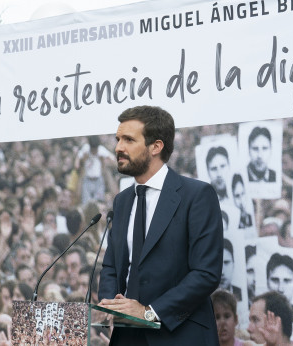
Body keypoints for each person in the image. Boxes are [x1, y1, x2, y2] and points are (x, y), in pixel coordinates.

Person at [98, 105, 223, 345]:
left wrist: (149, 312)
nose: (118, 148)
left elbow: (206, 273)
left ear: (156, 146)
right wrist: (109, 304)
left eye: (128, 140)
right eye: (117, 139)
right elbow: (112, 266)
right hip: (127, 336)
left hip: (180, 335)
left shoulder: (196, 195)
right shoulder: (123, 201)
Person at [266, 253, 293, 323]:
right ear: (267, 282)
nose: (280, 289)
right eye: (275, 280)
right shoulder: (259, 313)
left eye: (287, 281)